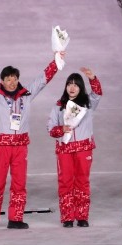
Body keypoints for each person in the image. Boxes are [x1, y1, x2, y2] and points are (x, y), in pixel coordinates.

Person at [0, 44, 64, 231]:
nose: (11, 82)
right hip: (2, 146)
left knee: (19, 183)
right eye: (8, 79)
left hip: (21, 146)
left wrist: (56, 60)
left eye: (14, 79)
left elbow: (43, 79)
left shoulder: (26, 95)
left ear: (18, 79)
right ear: (2, 81)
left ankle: (15, 218)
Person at [47, 67, 102, 228]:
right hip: (65, 149)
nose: (72, 88)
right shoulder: (58, 106)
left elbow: (98, 93)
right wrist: (61, 129)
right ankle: (67, 217)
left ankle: (82, 216)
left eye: (76, 85)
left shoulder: (88, 103)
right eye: (69, 84)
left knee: (82, 182)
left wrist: (93, 78)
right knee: (65, 182)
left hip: (83, 148)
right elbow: (50, 128)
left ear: (81, 88)